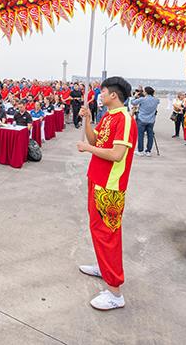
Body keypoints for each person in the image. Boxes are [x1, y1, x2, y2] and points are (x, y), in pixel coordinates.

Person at [76, 76, 136, 311]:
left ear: (113, 95)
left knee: (108, 234)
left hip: (110, 186)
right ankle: (104, 266)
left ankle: (114, 292)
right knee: (98, 230)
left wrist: (88, 148)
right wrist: (89, 120)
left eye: (102, 92)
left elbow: (116, 154)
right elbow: (95, 139)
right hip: (97, 179)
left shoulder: (125, 119)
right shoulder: (108, 117)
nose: (99, 96)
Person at [131, 86, 160, 157]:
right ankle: (148, 151)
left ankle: (140, 151)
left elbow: (132, 102)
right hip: (151, 120)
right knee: (150, 136)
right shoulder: (156, 100)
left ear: (146, 92)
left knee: (140, 135)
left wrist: (135, 96)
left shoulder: (142, 99)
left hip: (142, 119)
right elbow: (157, 101)